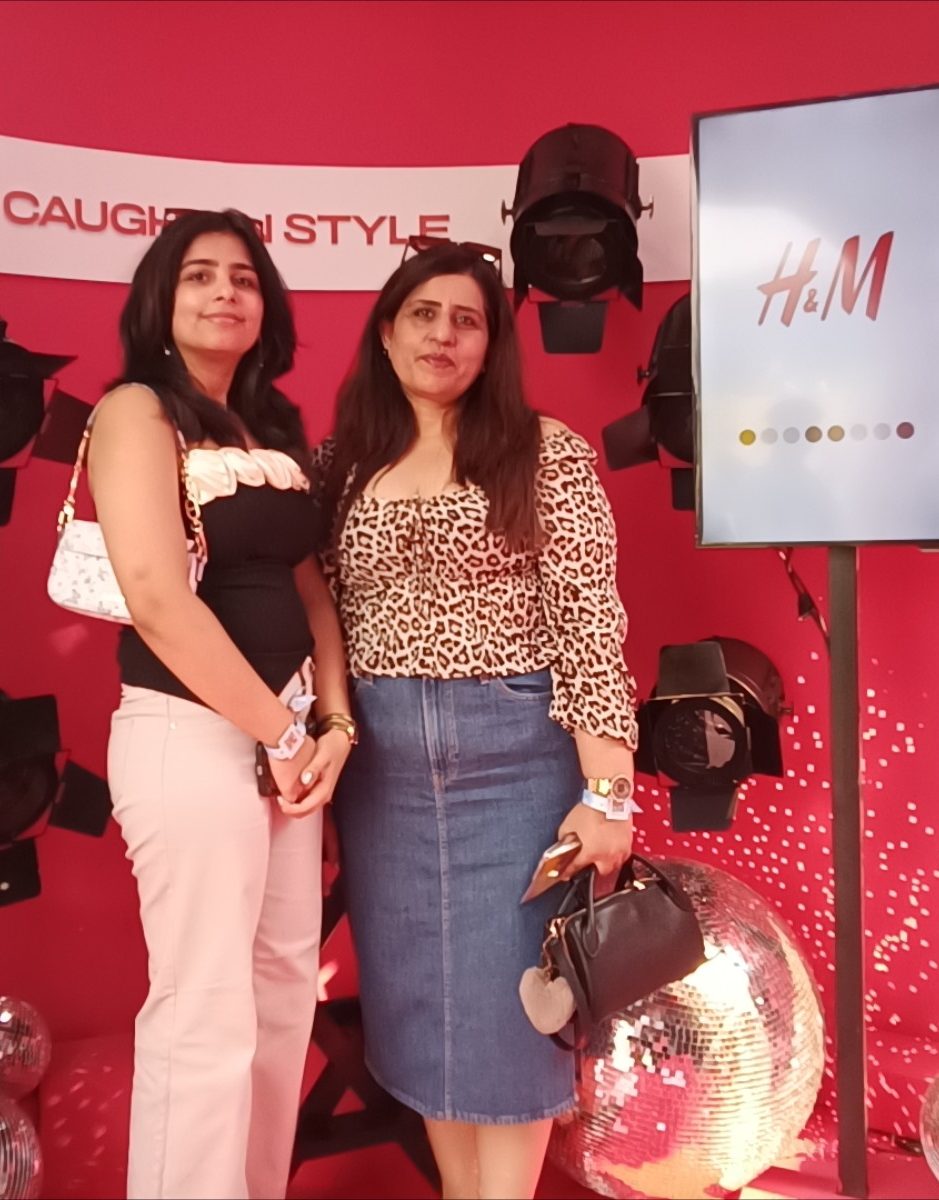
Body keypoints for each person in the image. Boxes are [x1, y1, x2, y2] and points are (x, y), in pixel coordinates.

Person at [314, 241, 639, 1200]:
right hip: (383, 777)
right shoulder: (341, 465)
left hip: (516, 765)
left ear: (492, 344)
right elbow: (320, 611)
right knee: (423, 1011)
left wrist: (607, 793)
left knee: (515, 1013)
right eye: (424, 314)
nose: (443, 336)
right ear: (386, 331)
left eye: (467, 320)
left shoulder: (547, 453)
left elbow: (589, 623)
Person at [86, 209, 354, 1200]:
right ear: (161, 299)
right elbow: (157, 599)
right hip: (190, 736)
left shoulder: (270, 430)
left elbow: (313, 587)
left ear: (265, 306)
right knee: (203, 1014)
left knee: (283, 999)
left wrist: (333, 723)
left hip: (290, 743)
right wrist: (280, 731)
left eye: (243, 279)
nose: (225, 293)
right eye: (199, 275)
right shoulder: (134, 413)